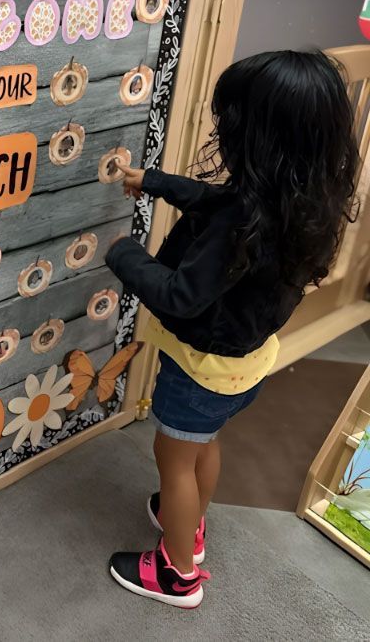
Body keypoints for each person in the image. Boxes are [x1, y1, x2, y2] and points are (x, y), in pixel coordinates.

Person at [105, 50, 359, 609]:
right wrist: (153, 181)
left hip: (200, 368)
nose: (222, 130)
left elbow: (179, 295)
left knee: (173, 460)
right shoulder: (301, 202)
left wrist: (125, 255)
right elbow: (216, 198)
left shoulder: (240, 223)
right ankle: (190, 528)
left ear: (258, 138)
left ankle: (177, 576)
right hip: (242, 366)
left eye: (231, 122)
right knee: (202, 448)